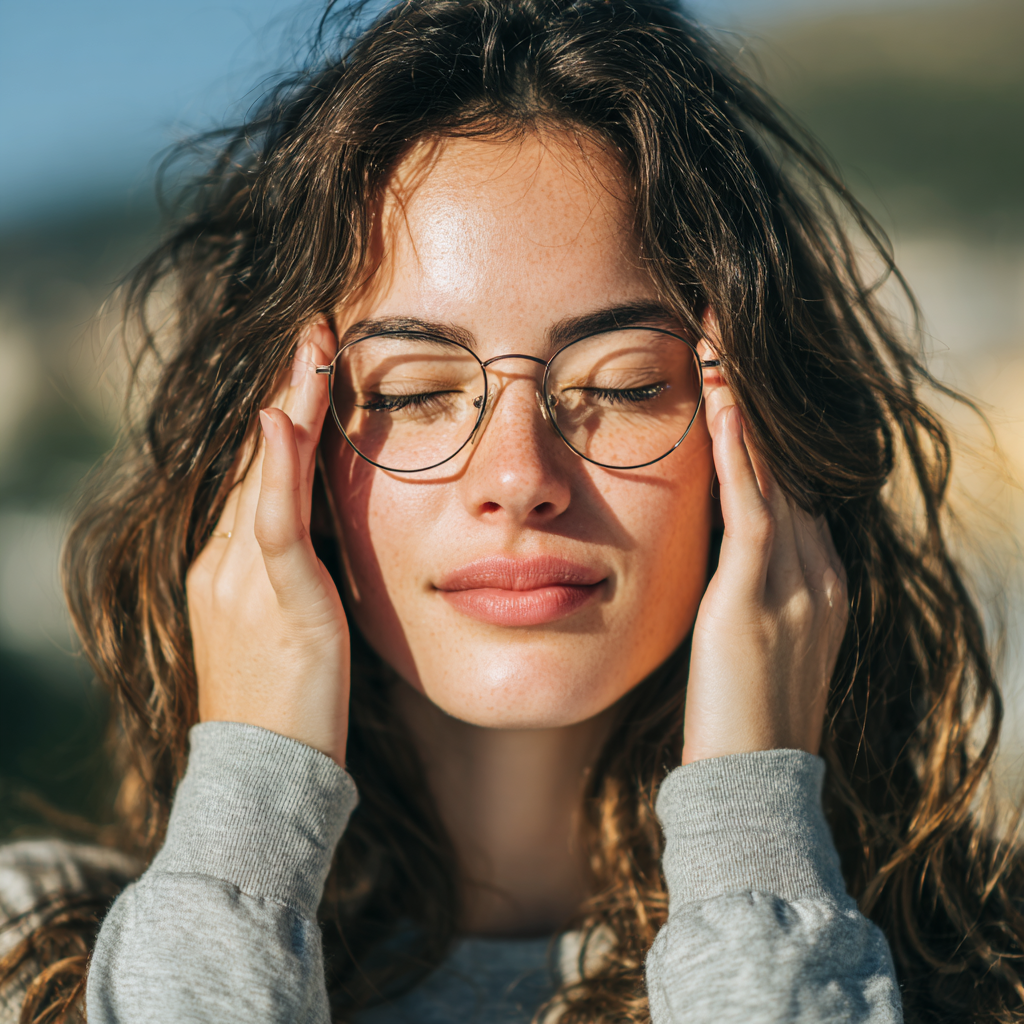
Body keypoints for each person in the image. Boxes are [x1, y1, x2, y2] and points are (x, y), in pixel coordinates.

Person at [1, 0, 1021, 1021]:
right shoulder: (28, 949)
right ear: (279, 459)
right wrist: (240, 842)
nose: (518, 473)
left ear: (765, 433)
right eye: (408, 390)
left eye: (623, 384)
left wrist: (757, 849)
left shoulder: (987, 966)